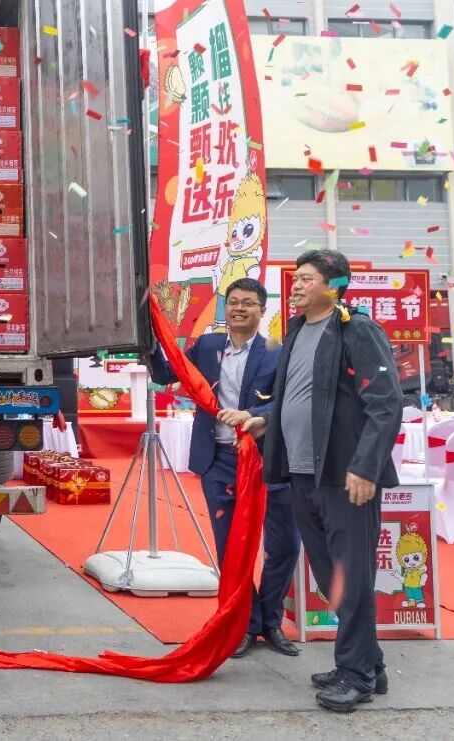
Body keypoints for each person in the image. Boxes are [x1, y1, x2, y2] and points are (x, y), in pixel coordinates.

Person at [244, 249, 402, 713]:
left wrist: (365, 467)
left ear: (333, 286)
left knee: (349, 577)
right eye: (295, 278)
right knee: (328, 574)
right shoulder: (296, 330)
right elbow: (297, 396)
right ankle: (369, 664)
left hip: (343, 475)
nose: (295, 286)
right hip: (300, 471)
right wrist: (266, 421)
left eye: (306, 279)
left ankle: (357, 676)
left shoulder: (357, 329)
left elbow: (385, 403)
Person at [150, 277, 300, 659]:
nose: (239, 308)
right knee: (231, 547)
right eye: (233, 302)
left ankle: (271, 620)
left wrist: (255, 414)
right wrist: (149, 338)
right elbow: (167, 374)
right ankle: (247, 622)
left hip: (268, 461)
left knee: (285, 544)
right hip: (218, 460)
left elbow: (290, 400)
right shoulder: (208, 346)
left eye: (248, 303)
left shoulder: (277, 351)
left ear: (262, 310)